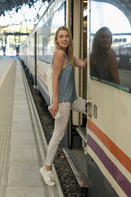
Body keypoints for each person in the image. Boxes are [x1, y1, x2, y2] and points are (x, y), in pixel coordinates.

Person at [39, 26, 87, 186]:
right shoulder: (59, 54)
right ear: (57, 40)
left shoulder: (68, 55)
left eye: (67, 36)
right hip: (64, 101)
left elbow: (83, 64)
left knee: (92, 110)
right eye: (61, 36)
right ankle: (46, 168)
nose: (65, 38)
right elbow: (55, 78)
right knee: (58, 135)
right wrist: (56, 102)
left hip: (72, 98)